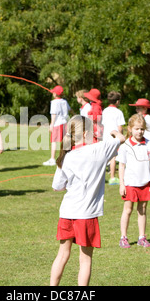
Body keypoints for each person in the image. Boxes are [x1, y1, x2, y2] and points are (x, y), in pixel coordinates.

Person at [50, 115, 125, 286]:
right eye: (92, 132)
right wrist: (113, 131)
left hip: (67, 212)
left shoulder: (66, 156)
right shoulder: (100, 149)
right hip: (86, 215)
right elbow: (121, 138)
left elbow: (57, 186)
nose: (95, 134)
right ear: (85, 134)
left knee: (62, 255)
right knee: (85, 259)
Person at [118, 114, 150, 248]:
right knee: (128, 210)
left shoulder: (149, 144)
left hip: (145, 183)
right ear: (130, 129)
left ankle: (142, 237)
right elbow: (121, 166)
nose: (139, 131)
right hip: (130, 183)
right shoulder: (125, 146)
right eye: (136, 129)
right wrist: (122, 184)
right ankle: (123, 237)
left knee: (143, 209)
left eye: (142, 129)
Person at [102, 91, 126, 185]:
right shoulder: (118, 112)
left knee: (105, 156)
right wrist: (121, 136)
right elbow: (120, 127)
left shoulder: (105, 110)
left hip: (106, 135)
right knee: (113, 157)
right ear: (117, 101)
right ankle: (112, 177)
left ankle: (102, 176)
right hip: (114, 136)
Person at [43, 86, 71, 166]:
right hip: (65, 123)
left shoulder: (54, 102)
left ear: (55, 94)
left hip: (57, 124)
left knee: (53, 141)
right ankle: (66, 157)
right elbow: (70, 110)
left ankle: (52, 159)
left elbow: (54, 114)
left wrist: (51, 124)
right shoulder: (64, 101)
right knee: (65, 141)